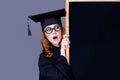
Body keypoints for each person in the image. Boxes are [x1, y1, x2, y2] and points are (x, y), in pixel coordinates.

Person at [28, 9, 74, 80]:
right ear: (45, 35)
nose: (54, 32)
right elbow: (58, 78)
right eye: (48, 30)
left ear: (61, 30)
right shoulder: (44, 58)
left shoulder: (72, 49)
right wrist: (62, 53)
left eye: (57, 27)